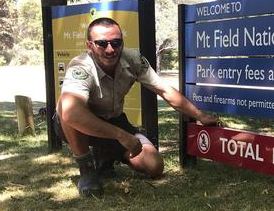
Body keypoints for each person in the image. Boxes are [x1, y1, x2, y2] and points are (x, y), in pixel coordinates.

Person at [55, 17, 219, 196]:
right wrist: (121, 135)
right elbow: (72, 114)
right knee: (68, 111)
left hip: (113, 119)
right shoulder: (81, 67)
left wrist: (200, 115)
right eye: (102, 43)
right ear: (89, 45)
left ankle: (106, 156)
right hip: (77, 126)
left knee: (154, 165)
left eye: (116, 43)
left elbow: (164, 90)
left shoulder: (133, 59)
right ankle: (86, 169)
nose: (110, 49)